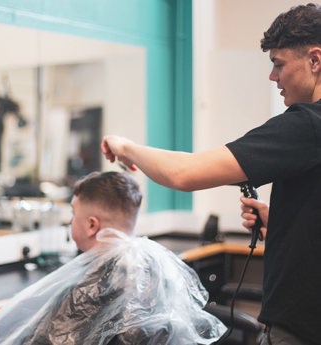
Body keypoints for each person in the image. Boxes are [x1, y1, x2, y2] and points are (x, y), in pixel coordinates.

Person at [101, 4, 321, 345]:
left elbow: (184, 174)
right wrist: (278, 222)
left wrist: (126, 147)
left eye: (279, 64)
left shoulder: (307, 125)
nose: (272, 77)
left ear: (315, 60)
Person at [0, 171, 226, 345]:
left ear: (91, 225)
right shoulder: (156, 267)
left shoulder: (86, 290)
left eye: (72, 214)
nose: (69, 221)